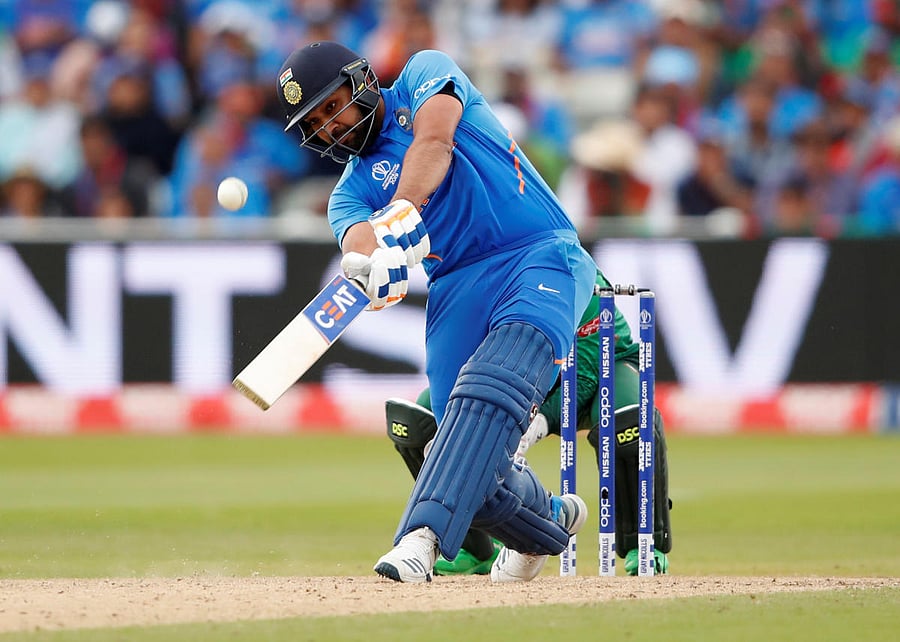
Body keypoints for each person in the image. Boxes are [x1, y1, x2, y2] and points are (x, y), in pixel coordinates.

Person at [275, 41, 596, 583]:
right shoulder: (347, 194)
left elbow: (435, 141)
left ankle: (420, 541)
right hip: (457, 287)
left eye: (334, 106)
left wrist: (400, 214)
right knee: (467, 457)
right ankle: (551, 520)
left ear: (361, 83)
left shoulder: (426, 73)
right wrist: (371, 268)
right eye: (318, 121)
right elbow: (358, 240)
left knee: (493, 384)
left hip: (537, 251)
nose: (331, 126)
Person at [385, 269, 673, 576]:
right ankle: (472, 546)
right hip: (524, 372)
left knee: (628, 421)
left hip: (602, 370)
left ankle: (644, 545)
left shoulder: (574, 273)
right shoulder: (482, 277)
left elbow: (586, 374)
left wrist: (537, 423)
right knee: (421, 420)